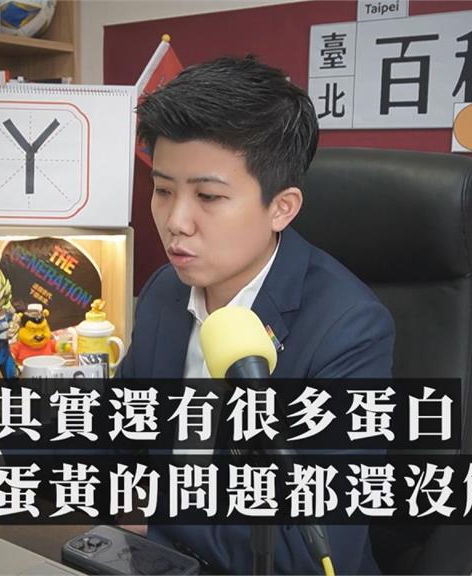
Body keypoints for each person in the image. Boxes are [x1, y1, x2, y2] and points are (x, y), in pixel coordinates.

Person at [116, 55, 395, 574]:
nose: (176, 222)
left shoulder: (349, 329)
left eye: (208, 196)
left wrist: (150, 510)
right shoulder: (164, 291)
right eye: (163, 190)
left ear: (281, 207)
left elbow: (312, 550)